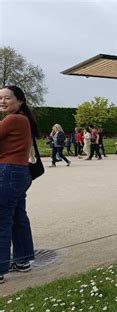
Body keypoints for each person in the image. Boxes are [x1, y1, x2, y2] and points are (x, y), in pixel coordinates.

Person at [0, 86, 38, 284]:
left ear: (20, 100)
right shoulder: (23, 118)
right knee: (16, 216)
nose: (3, 101)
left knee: (2, 220)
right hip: (19, 171)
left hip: (8, 171)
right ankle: (22, 260)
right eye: (0, 98)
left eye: (7, 98)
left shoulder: (13, 119)